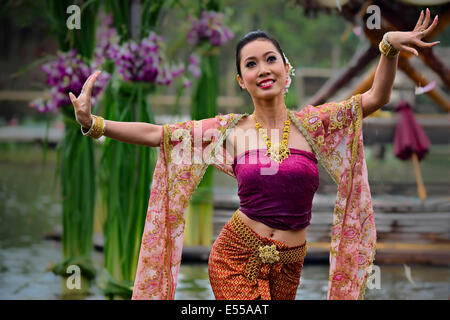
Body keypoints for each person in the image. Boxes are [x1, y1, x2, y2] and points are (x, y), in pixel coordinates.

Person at [69, 9, 439, 300]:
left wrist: (387, 46)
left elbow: (375, 98)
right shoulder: (229, 130)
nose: (262, 69)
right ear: (240, 80)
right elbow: (157, 134)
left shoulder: (315, 125)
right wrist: (94, 123)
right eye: (251, 64)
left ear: (286, 68)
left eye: (270, 59)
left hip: (290, 265)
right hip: (235, 257)